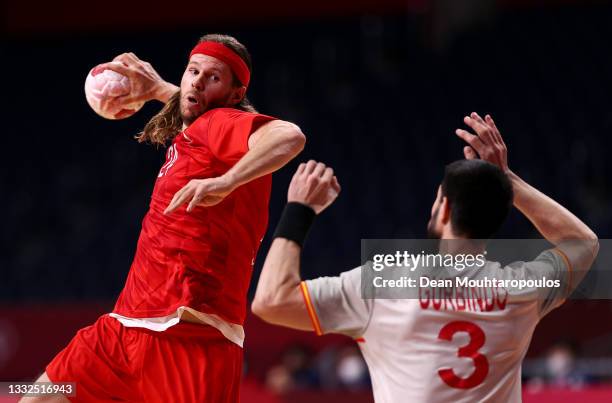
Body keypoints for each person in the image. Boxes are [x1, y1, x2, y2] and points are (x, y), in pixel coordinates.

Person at [23, 34, 305, 403]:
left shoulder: (221, 123)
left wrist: (227, 181)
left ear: (236, 96)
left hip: (189, 341)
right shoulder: (197, 131)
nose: (198, 81)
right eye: (193, 70)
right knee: (33, 396)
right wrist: (157, 88)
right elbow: (192, 103)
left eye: (214, 77)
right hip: (119, 333)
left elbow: (289, 135)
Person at [252, 112, 599, 402]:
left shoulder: (384, 283)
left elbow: (271, 300)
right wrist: (507, 181)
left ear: (444, 208)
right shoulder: (523, 288)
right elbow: (583, 243)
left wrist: (299, 209)